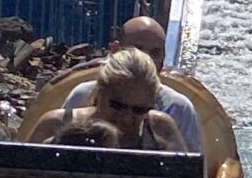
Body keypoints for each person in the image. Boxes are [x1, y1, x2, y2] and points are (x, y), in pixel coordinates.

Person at [58, 17, 203, 150]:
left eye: (140, 110)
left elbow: (191, 172)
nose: (146, 59)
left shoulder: (177, 109)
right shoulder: (80, 96)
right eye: (117, 105)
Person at [29, 48, 184, 149]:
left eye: (139, 110)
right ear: (100, 93)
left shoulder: (161, 131)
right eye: (118, 106)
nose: (127, 119)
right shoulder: (55, 125)